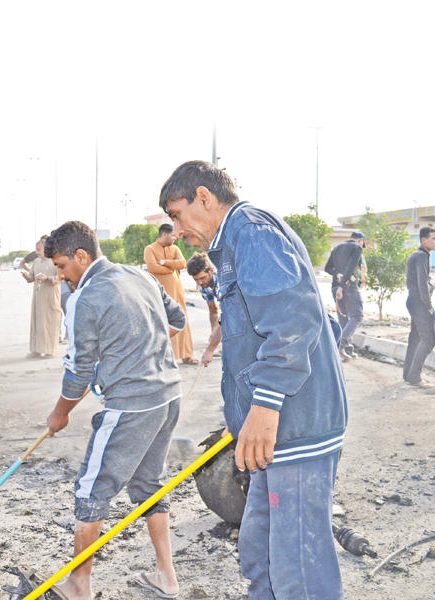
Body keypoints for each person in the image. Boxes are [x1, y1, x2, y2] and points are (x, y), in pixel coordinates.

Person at [159, 160, 347, 600]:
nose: (178, 230)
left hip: (294, 426)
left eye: (177, 214)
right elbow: (249, 339)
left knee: (298, 567)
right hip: (268, 430)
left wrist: (263, 406)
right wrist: (242, 415)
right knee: (260, 551)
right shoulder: (232, 243)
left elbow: (291, 322)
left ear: (203, 197)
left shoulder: (253, 233)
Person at [44, 221, 186, 600]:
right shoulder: (138, 276)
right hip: (169, 395)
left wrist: (60, 413)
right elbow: (177, 320)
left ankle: (78, 586)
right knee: (148, 484)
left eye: (61, 266)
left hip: (131, 406)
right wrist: (141, 348)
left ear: (81, 256)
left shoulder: (83, 299)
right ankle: (166, 577)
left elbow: (78, 371)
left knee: (92, 489)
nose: (61, 275)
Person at [144, 223, 197, 364]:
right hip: (159, 293)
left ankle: (186, 354)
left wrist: (165, 262)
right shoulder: (149, 249)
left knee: (182, 318)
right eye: (172, 235)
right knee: (162, 321)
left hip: (177, 291)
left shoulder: (175, 248)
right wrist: (170, 269)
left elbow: (182, 263)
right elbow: (152, 267)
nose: (174, 238)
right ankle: (165, 357)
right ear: (164, 234)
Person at [403, 227, 435, 388]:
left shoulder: (420, 255)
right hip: (419, 303)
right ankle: (414, 377)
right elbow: (422, 284)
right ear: (423, 240)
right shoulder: (421, 256)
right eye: (433, 238)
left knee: (416, 339)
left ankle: (409, 374)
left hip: (414, 301)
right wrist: (429, 306)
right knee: (428, 340)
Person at [324, 231, 366, 360]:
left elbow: (327, 268)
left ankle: (347, 350)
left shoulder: (337, 248)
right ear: (360, 240)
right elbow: (351, 266)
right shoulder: (357, 248)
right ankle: (340, 345)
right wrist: (342, 286)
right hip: (347, 287)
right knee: (357, 316)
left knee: (343, 318)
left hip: (335, 287)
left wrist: (337, 274)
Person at [21, 236, 62, 357]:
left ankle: (50, 350)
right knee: (37, 322)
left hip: (50, 296)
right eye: (36, 249)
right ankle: (36, 350)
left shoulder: (56, 261)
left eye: (39, 250)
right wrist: (27, 277)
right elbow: (32, 277)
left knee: (50, 322)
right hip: (38, 298)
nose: (37, 252)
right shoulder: (36, 262)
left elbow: (62, 277)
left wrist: (48, 278)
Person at [186, 253, 222, 367]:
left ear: (211, 270)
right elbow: (213, 310)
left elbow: (227, 317)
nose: (200, 283)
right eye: (196, 280)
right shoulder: (204, 286)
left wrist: (210, 349)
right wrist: (214, 331)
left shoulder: (224, 281)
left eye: (202, 278)